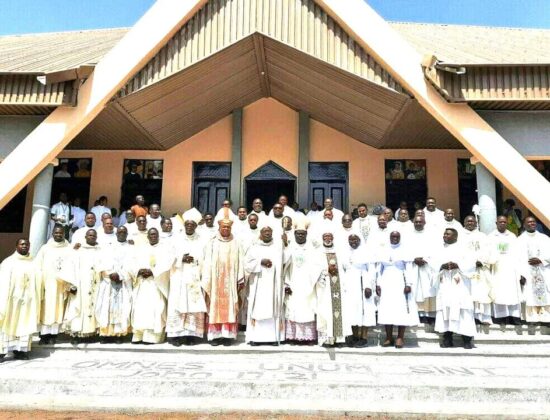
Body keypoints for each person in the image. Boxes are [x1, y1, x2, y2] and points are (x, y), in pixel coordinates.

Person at [166, 208, 208, 346]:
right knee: (177, 304)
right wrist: (181, 258)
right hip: (179, 275)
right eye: (187, 224)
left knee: (193, 304)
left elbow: (205, 258)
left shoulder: (202, 240)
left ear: (196, 226)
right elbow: (168, 257)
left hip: (194, 276)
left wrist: (195, 260)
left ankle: (192, 335)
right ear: (184, 225)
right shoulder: (175, 239)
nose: (189, 226)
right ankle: (175, 335)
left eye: (192, 224)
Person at [202, 219, 244, 346]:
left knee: (230, 307)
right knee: (215, 307)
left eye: (228, 228)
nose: (226, 229)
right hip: (215, 282)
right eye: (223, 227)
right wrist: (207, 278)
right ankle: (215, 336)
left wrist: (240, 278)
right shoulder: (212, 243)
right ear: (219, 228)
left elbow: (241, 261)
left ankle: (227, 336)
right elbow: (207, 262)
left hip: (230, 282)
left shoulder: (236, 243)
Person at [432, 228, 477, 349]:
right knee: (445, 309)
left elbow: (472, 264)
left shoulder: (464, 249)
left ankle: (467, 340)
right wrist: (442, 265)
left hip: (460, 284)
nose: (445, 235)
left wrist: (458, 265)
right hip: (445, 283)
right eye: (444, 233)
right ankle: (447, 338)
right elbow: (433, 264)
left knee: (463, 309)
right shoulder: (439, 249)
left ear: (455, 237)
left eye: (448, 234)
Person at [375, 231, 418, 348]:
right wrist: (378, 284)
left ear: (400, 238)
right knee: (387, 308)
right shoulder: (383, 249)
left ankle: (400, 337)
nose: (395, 238)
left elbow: (409, 268)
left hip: (400, 280)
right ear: (389, 237)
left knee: (401, 308)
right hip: (386, 281)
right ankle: (388, 337)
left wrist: (408, 284)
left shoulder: (405, 249)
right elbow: (379, 268)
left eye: (397, 237)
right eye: (393, 236)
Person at [244, 226, 286, 345]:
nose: (267, 233)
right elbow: (246, 264)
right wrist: (260, 262)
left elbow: (286, 260)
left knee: (274, 308)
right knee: (258, 308)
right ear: (260, 234)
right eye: (265, 231)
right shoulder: (254, 247)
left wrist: (286, 244)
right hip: (259, 283)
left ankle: (273, 338)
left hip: (274, 284)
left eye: (269, 231)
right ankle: (256, 338)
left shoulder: (278, 247)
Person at [283, 216, 322, 344]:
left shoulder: (312, 248)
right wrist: (286, 284)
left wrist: (312, 281)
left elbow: (317, 265)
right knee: (293, 309)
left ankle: (308, 337)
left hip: (307, 284)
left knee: (308, 309)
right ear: (294, 234)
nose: (300, 236)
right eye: (298, 234)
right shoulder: (290, 248)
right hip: (293, 283)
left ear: (306, 234)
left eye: (303, 234)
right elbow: (285, 266)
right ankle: (293, 336)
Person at [0, 239, 40, 361]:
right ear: (16, 246)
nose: (25, 246)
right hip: (12, 300)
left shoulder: (34, 262)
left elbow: (38, 281)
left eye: (27, 244)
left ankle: (21, 351)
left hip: (28, 300)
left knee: (24, 323)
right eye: (22, 244)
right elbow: (3, 282)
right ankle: (2, 351)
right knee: (8, 324)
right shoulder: (8, 262)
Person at [131, 228, 173, 344]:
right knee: (140, 309)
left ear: (158, 236)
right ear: (148, 237)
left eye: (155, 234)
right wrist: (139, 271)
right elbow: (133, 262)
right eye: (151, 235)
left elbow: (167, 264)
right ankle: (139, 335)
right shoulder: (141, 248)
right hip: (143, 283)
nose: (153, 236)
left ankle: (153, 337)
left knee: (156, 309)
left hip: (156, 284)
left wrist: (153, 272)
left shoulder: (164, 249)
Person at [61, 229, 103, 345]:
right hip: (81, 284)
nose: (92, 237)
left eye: (94, 235)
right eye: (89, 235)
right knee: (78, 307)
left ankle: (90, 333)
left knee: (94, 308)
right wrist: (71, 285)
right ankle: (76, 333)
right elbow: (69, 267)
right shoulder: (78, 251)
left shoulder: (100, 250)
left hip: (96, 284)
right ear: (85, 237)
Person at [35, 225, 73, 345]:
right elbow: (38, 266)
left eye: (60, 233)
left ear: (64, 234)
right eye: (56, 233)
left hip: (61, 286)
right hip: (47, 284)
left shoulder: (69, 248)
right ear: (52, 233)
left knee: (58, 309)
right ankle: (43, 335)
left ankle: (53, 335)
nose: (58, 235)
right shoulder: (45, 248)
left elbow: (72, 266)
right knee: (45, 309)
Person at [95, 226, 133, 343]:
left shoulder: (131, 248)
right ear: (116, 234)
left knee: (122, 308)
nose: (122, 234)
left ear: (127, 234)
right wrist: (110, 273)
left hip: (123, 283)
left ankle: (119, 335)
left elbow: (133, 265)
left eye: (124, 232)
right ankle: (105, 334)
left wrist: (121, 275)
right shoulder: (108, 247)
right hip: (108, 281)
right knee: (105, 306)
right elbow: (101, 262)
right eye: (120, 232)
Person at [316, 231, 352, 346]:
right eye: (325, 236)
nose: (328, 238)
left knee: (340, 311)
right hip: (325, 287)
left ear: (333, 238)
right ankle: (327, 339)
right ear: (322, 238)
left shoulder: (339, 251)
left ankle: (339, 339)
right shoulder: (318, 252)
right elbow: (314, 268)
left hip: (339, 286)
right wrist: (327, 270)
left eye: (330, 236)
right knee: (325, 311)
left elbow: (346, 266)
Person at [487, 216, 523, 329]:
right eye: (500, 222)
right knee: (499, 293)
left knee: (513, 293)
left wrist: (520, 271)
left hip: (511, 269)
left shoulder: (512, 237)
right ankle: (501, 318)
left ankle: (514, 317)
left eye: (504, 222)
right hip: (497, 269)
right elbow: (488, 253)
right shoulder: (491, 237)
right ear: (496, 223)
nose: (502, 223)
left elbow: (518, 254)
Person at [341, 234, 375, 348]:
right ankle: (354, 336)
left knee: (364, 310)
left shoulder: (366, 251)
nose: (353, 242)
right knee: (352, 310)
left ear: (359, 240)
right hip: (349, 284)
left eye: (355, 239)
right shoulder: (345, 251)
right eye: (350, 239)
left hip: (362, 281)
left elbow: (371, 269)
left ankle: (364, 337)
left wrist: (369, 285)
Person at [517, 216, 550, 325]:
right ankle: (533, 320)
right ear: (524, 225)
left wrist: (540, 260)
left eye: (533, 222)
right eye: (529, 222)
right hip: (528, 273)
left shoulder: (544, 238)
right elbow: (517, 259)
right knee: (529, 295)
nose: (532, 224)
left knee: (546, 295)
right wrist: (520, 275)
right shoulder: (520, 240)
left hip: (543, 271)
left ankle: (546, 319)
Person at [463, 215, 493, 328]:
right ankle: (470, 317)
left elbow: (488, 251)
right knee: (468, 293)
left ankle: (484, 317)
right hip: (466, 271)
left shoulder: (483, 236)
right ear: (464, 222)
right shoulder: (460, 236)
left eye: (472, 221)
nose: (470, 223)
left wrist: (481, 261)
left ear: (476, 223)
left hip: (481, 269)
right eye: (468, 221)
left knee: (482, 292)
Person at [409, 216, 437, 330]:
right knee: (415, 290)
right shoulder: (408, 235)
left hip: (427, 266)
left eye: (420, 221)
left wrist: (425, 259)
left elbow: (435, 249)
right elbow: (405, 249)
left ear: (425, 222)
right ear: (413, 223)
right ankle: (416, 313)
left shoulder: (431, 235)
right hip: (413, 265)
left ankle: (428, 314)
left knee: (427, 290)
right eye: (416, 222)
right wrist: (414, 258)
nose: (418, 223)